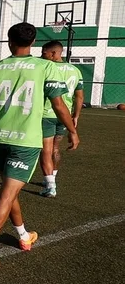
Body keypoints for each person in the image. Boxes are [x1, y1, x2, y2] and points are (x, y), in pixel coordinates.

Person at [0, 23, 79, 268]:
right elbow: (59, 105)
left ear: (9, 41)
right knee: (8, 194)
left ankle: (23, 235)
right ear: (34, 42)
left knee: (10, 191)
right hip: (25, 141)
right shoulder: (46, 66)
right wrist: (72, 130)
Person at [38, 40, 83, 198]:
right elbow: (79, 97)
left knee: (46, 149)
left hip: (47, 114)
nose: (41, 56)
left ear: (54, 53)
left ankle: (50, 185)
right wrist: (75, 117)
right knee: (55, 148)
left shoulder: (45, 68)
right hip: (65, 116)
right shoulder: (75, 70)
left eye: (44, 53)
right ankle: (52, 178)